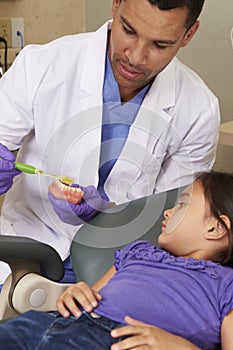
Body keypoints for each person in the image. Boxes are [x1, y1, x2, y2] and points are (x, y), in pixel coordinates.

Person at [0, 0, 220, 284]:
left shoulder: (198, 109)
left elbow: (174, 223)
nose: (136, 56)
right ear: (115, 5)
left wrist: (107, 213)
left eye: (160, 45)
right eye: (128, 31)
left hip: (121, 268)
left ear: (188, 35)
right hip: (26, 248)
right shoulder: (42, 65)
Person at [0, 170, 233, 349]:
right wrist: (74, 294)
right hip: (47, 325)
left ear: (215, 228)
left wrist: (181, 346)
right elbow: (91, 298)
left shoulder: (226, 283)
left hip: (117, 340)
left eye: (181, 204)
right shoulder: (138, 253)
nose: (168, 212)